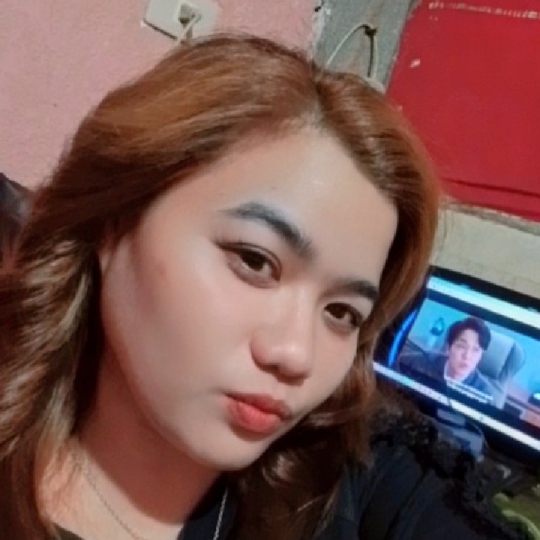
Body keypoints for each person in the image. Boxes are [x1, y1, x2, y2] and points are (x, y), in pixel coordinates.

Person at [0, 35, 522, 540]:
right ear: (113, 227)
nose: (296, 355)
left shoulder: (354, 479)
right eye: (254, 261)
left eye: (342, 313)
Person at [399, 317, 494, 399]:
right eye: (461, 346)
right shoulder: (419, 362)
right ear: (448, 348)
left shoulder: (484, 392)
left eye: (476, 350)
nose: (467, 356)